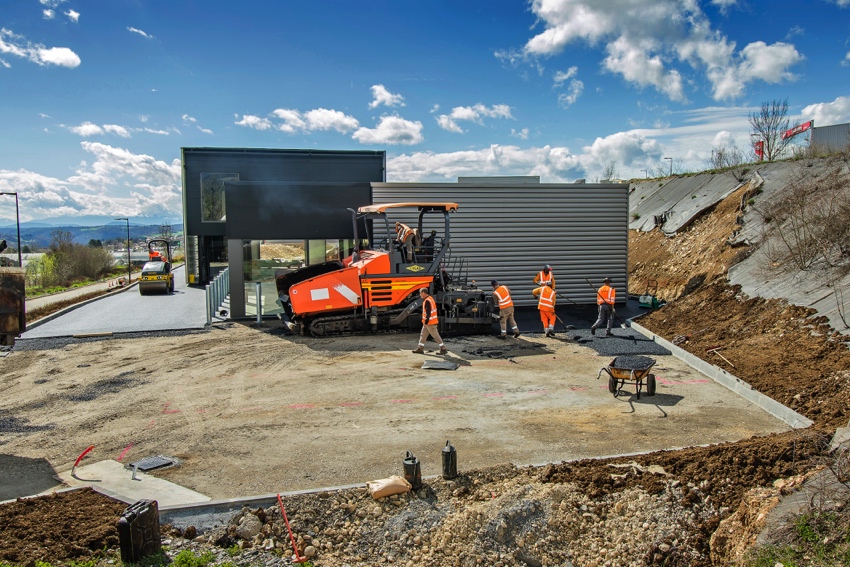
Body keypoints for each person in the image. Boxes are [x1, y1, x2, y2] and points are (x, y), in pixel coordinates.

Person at [413, 288, 448, 355]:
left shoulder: (427, 301)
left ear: (423, 293)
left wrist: (426, 321)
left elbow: (428, 312)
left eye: (420, 293)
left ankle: (443, 349)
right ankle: (420, 348)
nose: (420, 295)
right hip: (428, 322)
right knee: (423, 335)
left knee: (436, 336)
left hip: (430, 323)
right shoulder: (430, 299)